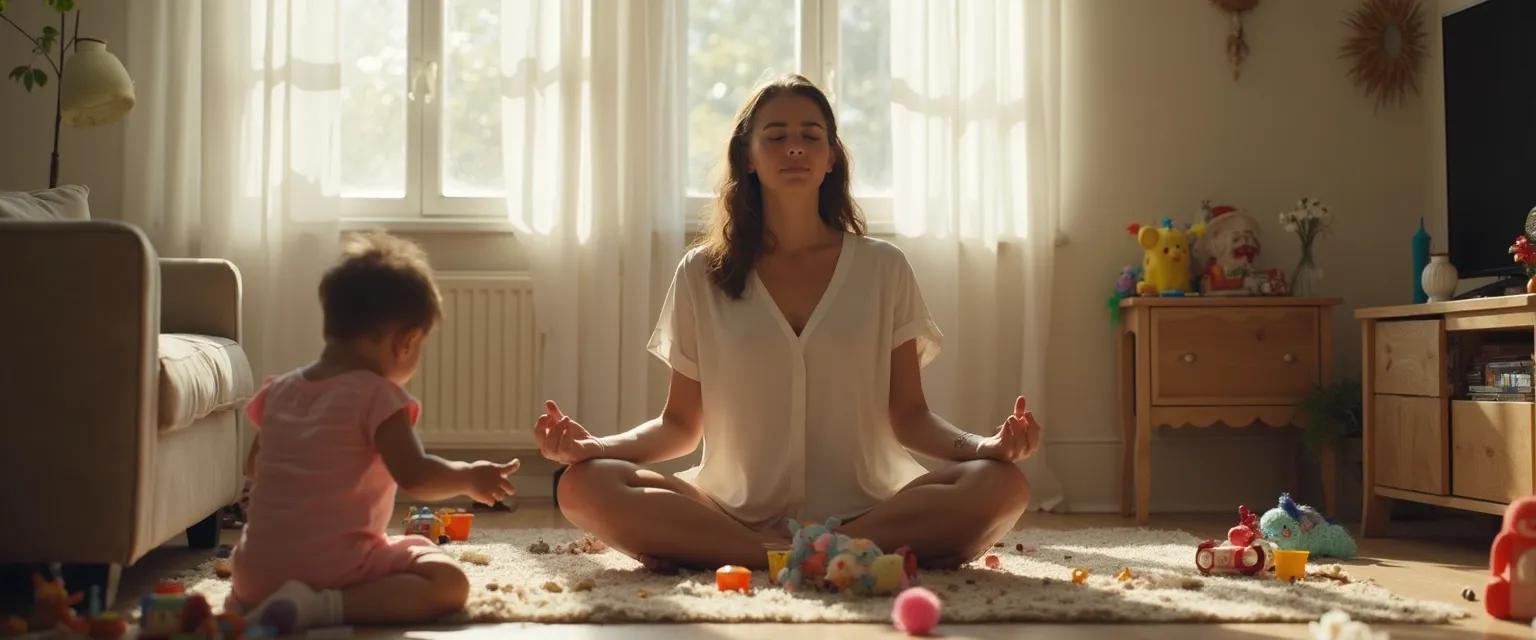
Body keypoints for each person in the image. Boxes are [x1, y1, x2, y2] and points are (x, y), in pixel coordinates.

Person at [538, 74, 1040, 571]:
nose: (794, 148)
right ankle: (795, 556)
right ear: (748, 157)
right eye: (776, 136)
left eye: (810, 136)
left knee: (1001, 484)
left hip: (869, 511)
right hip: (730, 514)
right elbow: (680, 426)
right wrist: (596, 447)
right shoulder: (700, 273)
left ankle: (791, 551)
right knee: (584, 484)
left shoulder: (883, 268)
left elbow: (909, 415)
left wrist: (984, 446)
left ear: (831, 157)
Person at [230, 232, 521, 631]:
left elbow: (255, 467)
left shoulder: (279, 390)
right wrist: (469, 477)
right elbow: (415, 475)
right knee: (448, 580)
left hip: (253, 575)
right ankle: (321, 607)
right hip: (333, 570)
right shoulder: (377, 396)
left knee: (402, 545)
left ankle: (267, 603)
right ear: (407, 341)